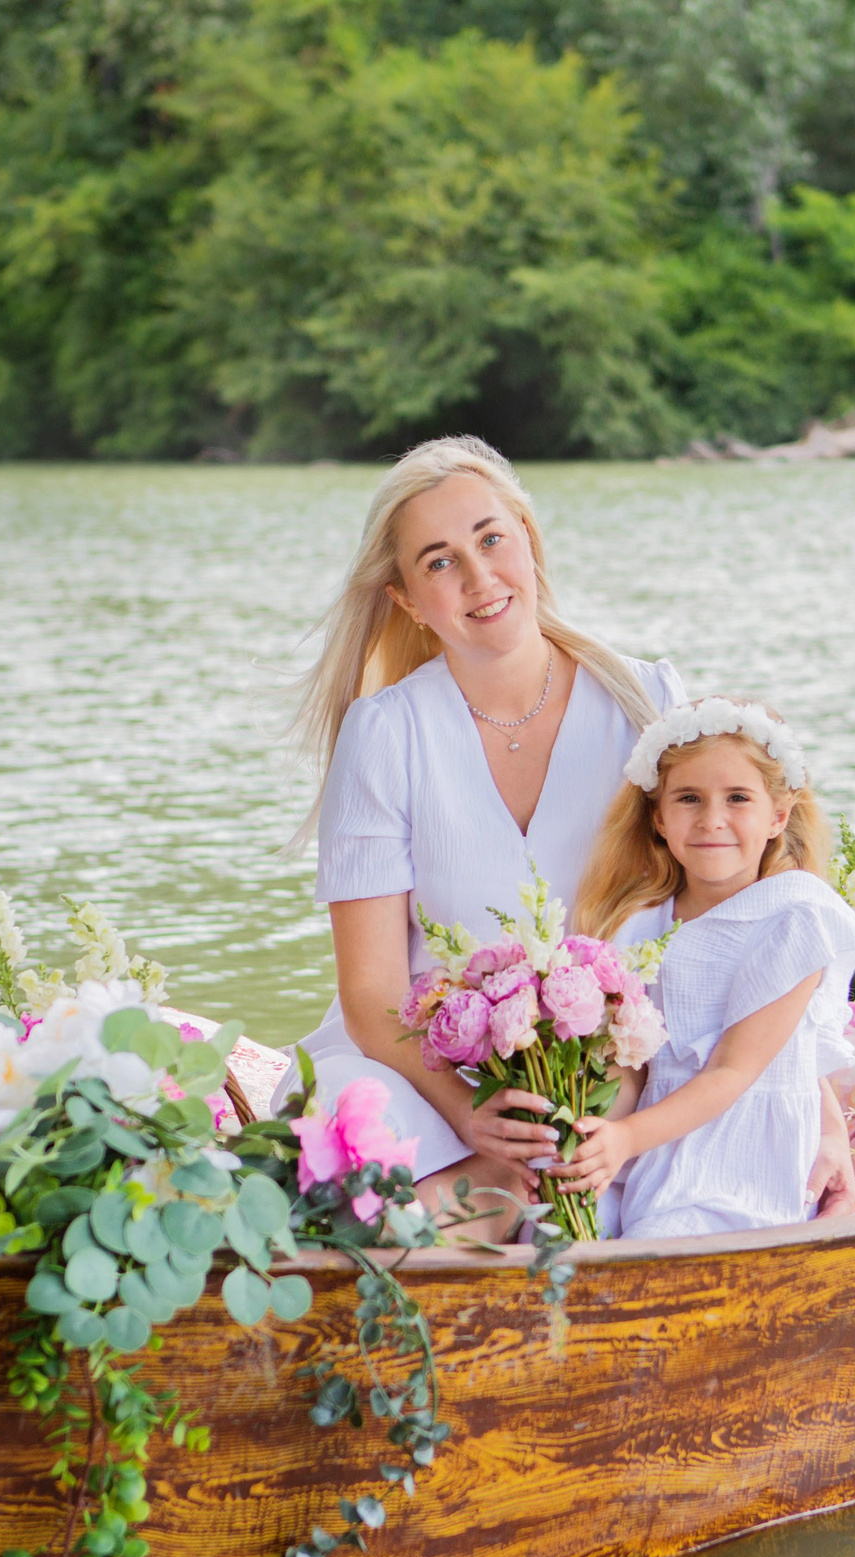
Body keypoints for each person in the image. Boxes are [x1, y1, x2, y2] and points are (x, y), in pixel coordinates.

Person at [286, 436, 685, 1230]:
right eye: (439, 562)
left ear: (529, 540)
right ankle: (484, 1195)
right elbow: (370, 997)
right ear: (405, 598)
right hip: (427, 1075)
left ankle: (510, 1201)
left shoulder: (647, 701)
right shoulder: (385, 734)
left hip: (621, 1080)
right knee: (362, 1197)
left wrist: (616, 1101)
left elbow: (731, 902)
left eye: (491, 538)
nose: (478, 577)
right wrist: (477, 1122)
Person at [559, 698, 855, 1238]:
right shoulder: (639, 924)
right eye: (688, 798)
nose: (712, 820)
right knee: (561, 1232)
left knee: (669, 1251)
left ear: (778, 814)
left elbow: (736, 1069)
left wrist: (626, 1139)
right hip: (660, 1143)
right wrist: (595, 1138)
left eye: (738, 798)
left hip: (746, 1158)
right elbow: (632, 1067)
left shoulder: (794, 916)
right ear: (658, 817)